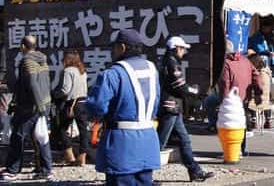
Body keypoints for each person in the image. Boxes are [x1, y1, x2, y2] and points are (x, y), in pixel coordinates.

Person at [85, 30, 161, 186]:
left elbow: (96, 106)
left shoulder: (112, 73)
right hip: (148, 140)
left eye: (115, 48)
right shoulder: (152, 69)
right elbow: (157, 101)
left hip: (121, 145)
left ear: (122, 47)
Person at [157, 36, 214, 182]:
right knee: (159, 143)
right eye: (183, 48)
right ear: (177, 48)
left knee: (184, 141)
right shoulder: (172, 63)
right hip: (170, 108)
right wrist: (195, 91)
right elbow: (180, 86)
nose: (184, 51)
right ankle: (140, 174)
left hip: (173, 108)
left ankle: (195, 171)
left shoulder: (167, 61)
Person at [1, 36, 54, 182]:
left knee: (18, 136)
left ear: (23, 46)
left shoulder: (27, 61)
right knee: (41, 137)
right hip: (43, 103)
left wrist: (38, 105)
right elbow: (45, 82)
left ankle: (12, 170)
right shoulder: (42, 60)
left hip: (29, 107)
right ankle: (46, 169)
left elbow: (32, 84)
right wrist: (44, 106)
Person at [218, 41, 262, 156]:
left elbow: (225, 84)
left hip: (232, 100)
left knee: (231, 124)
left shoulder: (226, 63)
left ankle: (234, 150)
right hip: (245, 97)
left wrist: (223, 102)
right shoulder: (245, 60)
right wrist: (258, 93)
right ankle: (241, 149)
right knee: (241, 123)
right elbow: (256, 76)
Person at [52, 50, 89, 166]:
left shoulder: (67, 71)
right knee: (83, 131)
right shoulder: (82, 71)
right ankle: (82, 156)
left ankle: (70, 155)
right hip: (83, 102)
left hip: (71, 104)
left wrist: (54, 94)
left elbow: (65, 90)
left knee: (62, 128)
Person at [248, 55, 272, 129]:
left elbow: (255, 86)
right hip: (267, 101)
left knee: (249, 99)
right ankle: (268, 120)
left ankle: (253, 120)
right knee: (266, 100)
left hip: (258, 100)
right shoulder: (268, 72)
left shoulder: (259, 74)